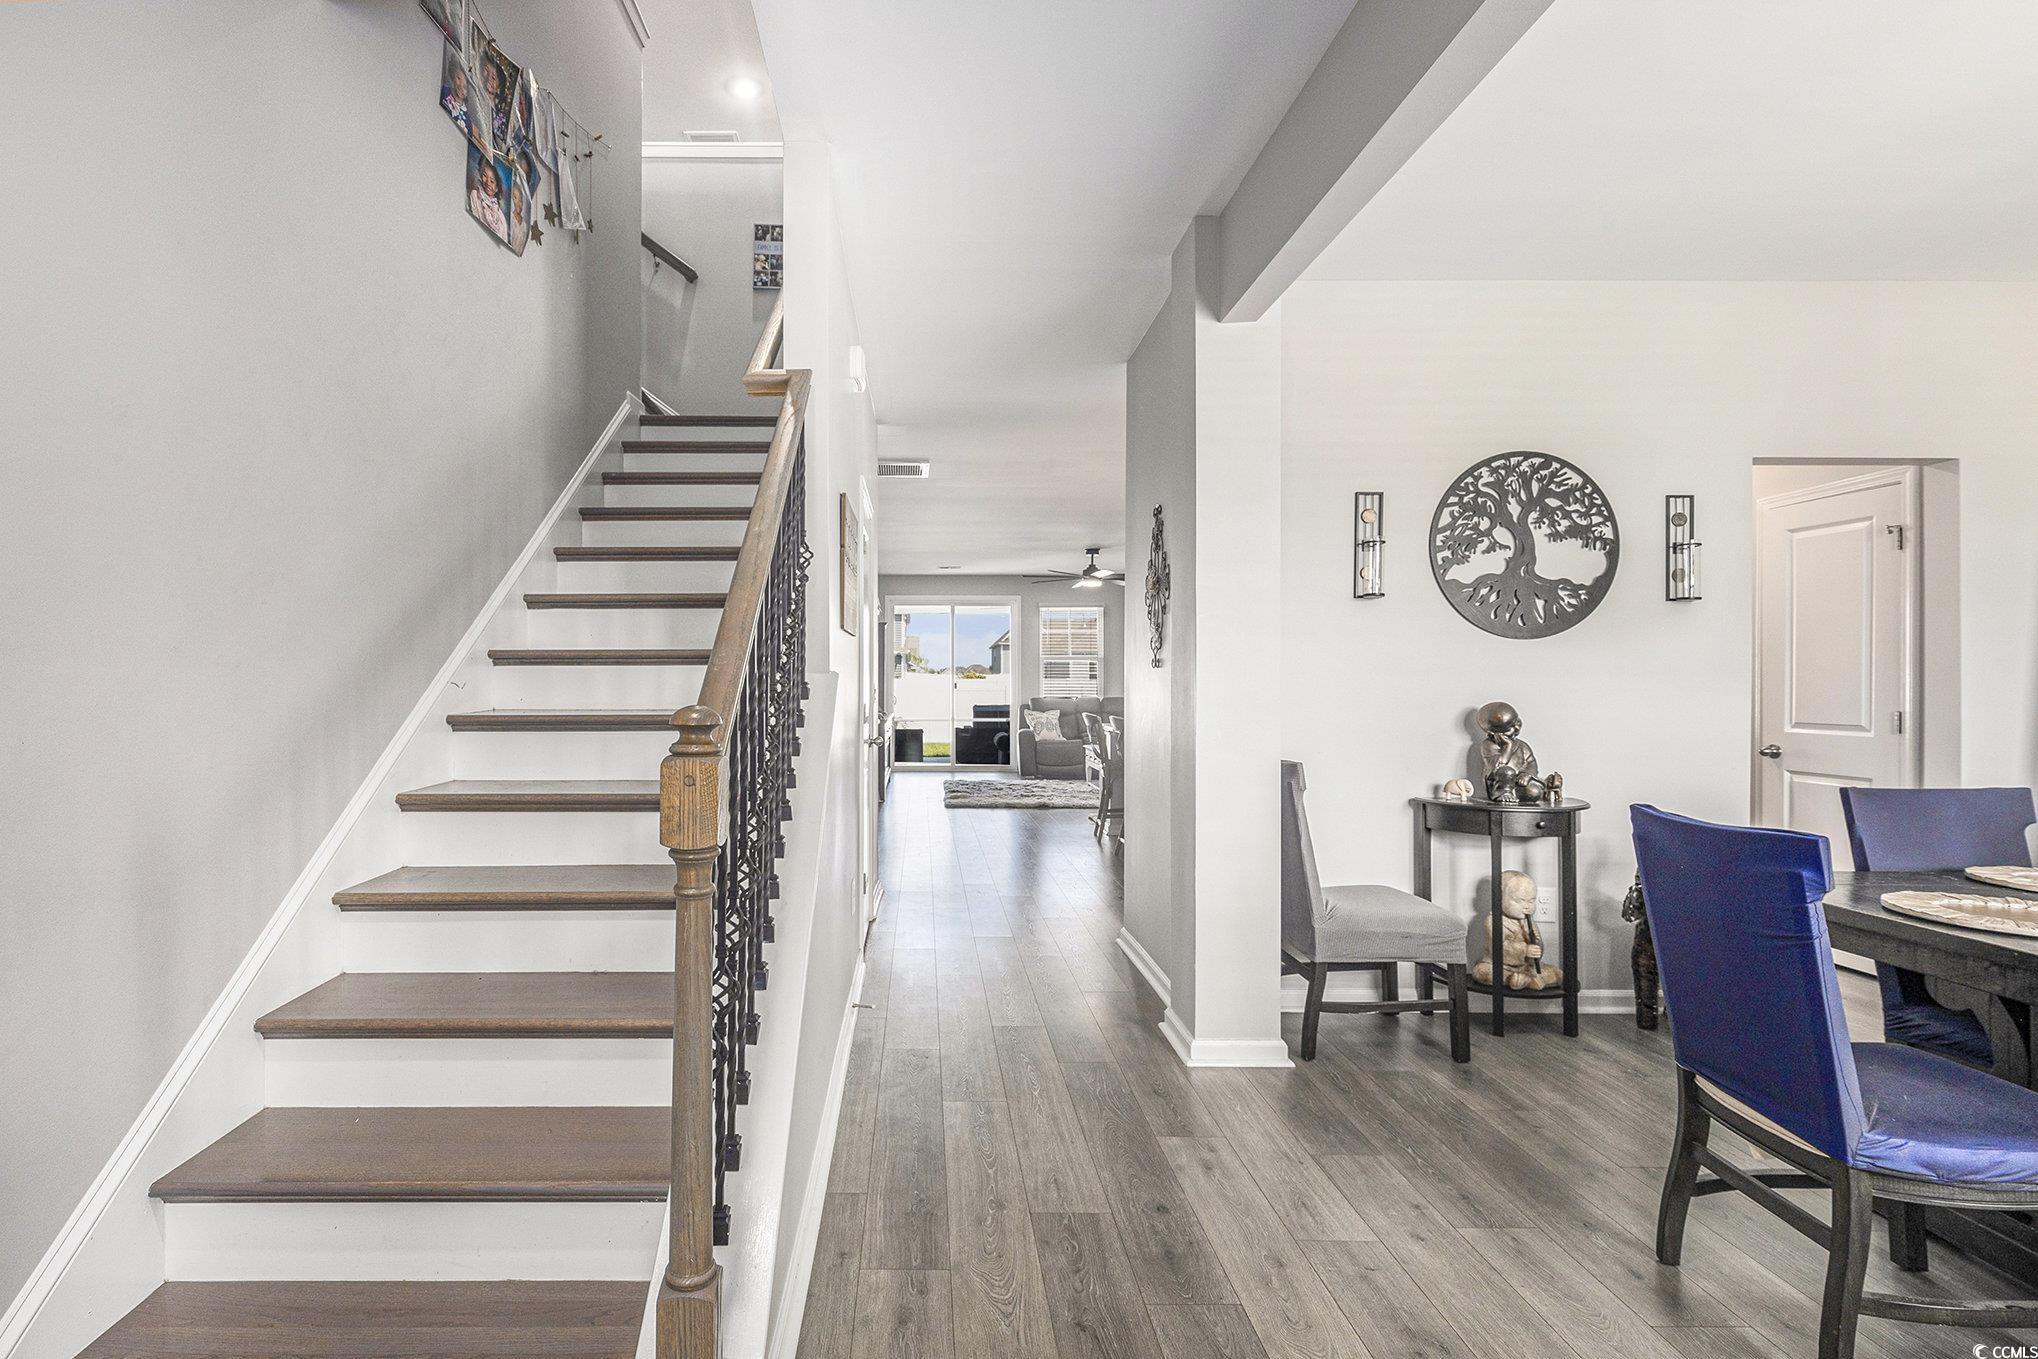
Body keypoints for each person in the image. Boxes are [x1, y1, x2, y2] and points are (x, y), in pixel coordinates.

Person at [469, 155, 506, 238]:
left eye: (492, 181)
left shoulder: (500, 217)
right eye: (485, 176)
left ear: (497, 188)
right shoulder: (475, 195)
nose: (488, 183)